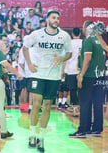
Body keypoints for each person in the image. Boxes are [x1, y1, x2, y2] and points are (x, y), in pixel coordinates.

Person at [23, 10, 72, 152]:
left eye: (58, 18)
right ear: (47, 19)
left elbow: (69, 53)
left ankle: (41, 137)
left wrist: (62, 59)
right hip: (38, 74)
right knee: (36, 103)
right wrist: (29, 64)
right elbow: (25, 47)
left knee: (47, 106)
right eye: (54, 17)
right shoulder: (37, 34)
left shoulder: (64, 36)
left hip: (54, 77)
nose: (56, 20)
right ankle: (32, 134)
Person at [69, 20, 106, 138]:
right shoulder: (99, 41)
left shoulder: (89, 40)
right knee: (97, 103)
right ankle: (96, 128)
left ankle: (82, 130)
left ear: (86, 28)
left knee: (84, 103)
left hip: (89, 76)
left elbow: (87, 58)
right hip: (100, 76)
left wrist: (81, 75)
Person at [62, 27, 82, 112]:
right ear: (80, 34)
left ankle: (75, 108)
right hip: (81, 70)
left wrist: (62, 71)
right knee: (82, 89)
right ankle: (83, 107)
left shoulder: (69, 43)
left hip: (71, 70)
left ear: (72, 34)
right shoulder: (83, 43)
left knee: (73, 90)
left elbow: (64, 58)